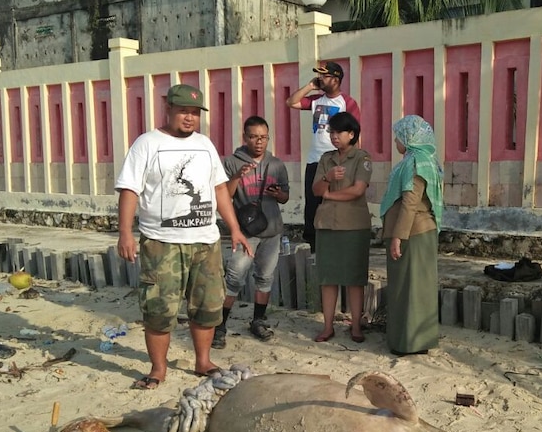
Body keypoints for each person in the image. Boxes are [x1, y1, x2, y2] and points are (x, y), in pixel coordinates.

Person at [115, 84, 251, 390]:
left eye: (194, 113)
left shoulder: (205, 145)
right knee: (159, 309)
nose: (189, 118)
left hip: (205, 240)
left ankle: (202, 361)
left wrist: (235, 228)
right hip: (162, 242)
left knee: (206, 307)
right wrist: (125, 232)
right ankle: (158, 369)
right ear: (168, 109)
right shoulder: (147, 144)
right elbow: (129, 190)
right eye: (183, 111)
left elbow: (219, 189)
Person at [213, 116, 289, 349]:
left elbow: (285, 197)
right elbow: (224, 195)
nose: (259, 142)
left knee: (265, 277)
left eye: (264, 137)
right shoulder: (231, 162)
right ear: (245, 137)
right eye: (254, 137)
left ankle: (258, 321)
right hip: (245, 232)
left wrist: (278, 195)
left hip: (272, 231)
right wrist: (237, 176)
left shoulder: (276, 164)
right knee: (234, 277)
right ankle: (220, 326)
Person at [381, 115, 443, 356]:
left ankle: (408, 344)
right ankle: (419, 341)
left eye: (398, 136)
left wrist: (398, 237)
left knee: (408, 289)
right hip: (420, 231)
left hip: (412, 233)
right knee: (418, 288)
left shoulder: (415, 163)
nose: (396, 140)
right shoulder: (425, 160)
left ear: (409, 138)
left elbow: (410, 201)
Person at [286, 61, 361, 253]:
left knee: (335, 201)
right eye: (319, 75)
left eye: (325, 76)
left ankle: (335, 243)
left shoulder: (347, 103)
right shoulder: (316, 101)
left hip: (337, 161)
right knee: (312, 203)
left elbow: (355, 134)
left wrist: (351, 161)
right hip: (315, 160)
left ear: (336, 80)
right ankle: (312, 245)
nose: (321, 79)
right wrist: (310, 86)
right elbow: (291, 102)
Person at [311, 112, 371, 343]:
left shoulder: (361, 158)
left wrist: (330, 195)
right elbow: (316, 191)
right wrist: (326, 178)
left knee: (354, 278)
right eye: (332, 132)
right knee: (328, 278)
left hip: (353, 225)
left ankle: (356, 326)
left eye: (339, 132)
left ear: (352, 134)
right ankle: (327, 327)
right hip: (327, 224)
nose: (334, 137)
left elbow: (358, 190)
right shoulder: (326, 159)